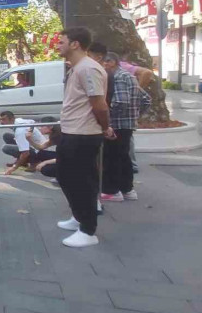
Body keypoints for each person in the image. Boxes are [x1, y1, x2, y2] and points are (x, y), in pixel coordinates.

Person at [55, 27, 110, 248]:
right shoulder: (76, 68)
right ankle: (78, 216)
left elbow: (99, 103)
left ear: (75, 44)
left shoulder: (88, 69)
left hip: (83, 134)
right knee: (64, 176)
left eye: (61, 42)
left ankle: (88, 230)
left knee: (83, 182)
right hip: (71, 131)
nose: (57, 45)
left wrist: (106, 127)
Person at [100, 52, 151, 202]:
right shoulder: (130, 77)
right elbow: (146, 100)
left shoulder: (118, 77)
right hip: (127, 124)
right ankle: (127, 189)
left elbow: (121, 102)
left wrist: (108, 119)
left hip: (117, 125)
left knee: (112, 157)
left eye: (105, 63)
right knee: (123, 157)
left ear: (112, 63)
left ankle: (112, 191)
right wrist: (134, 115)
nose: (103, 67)